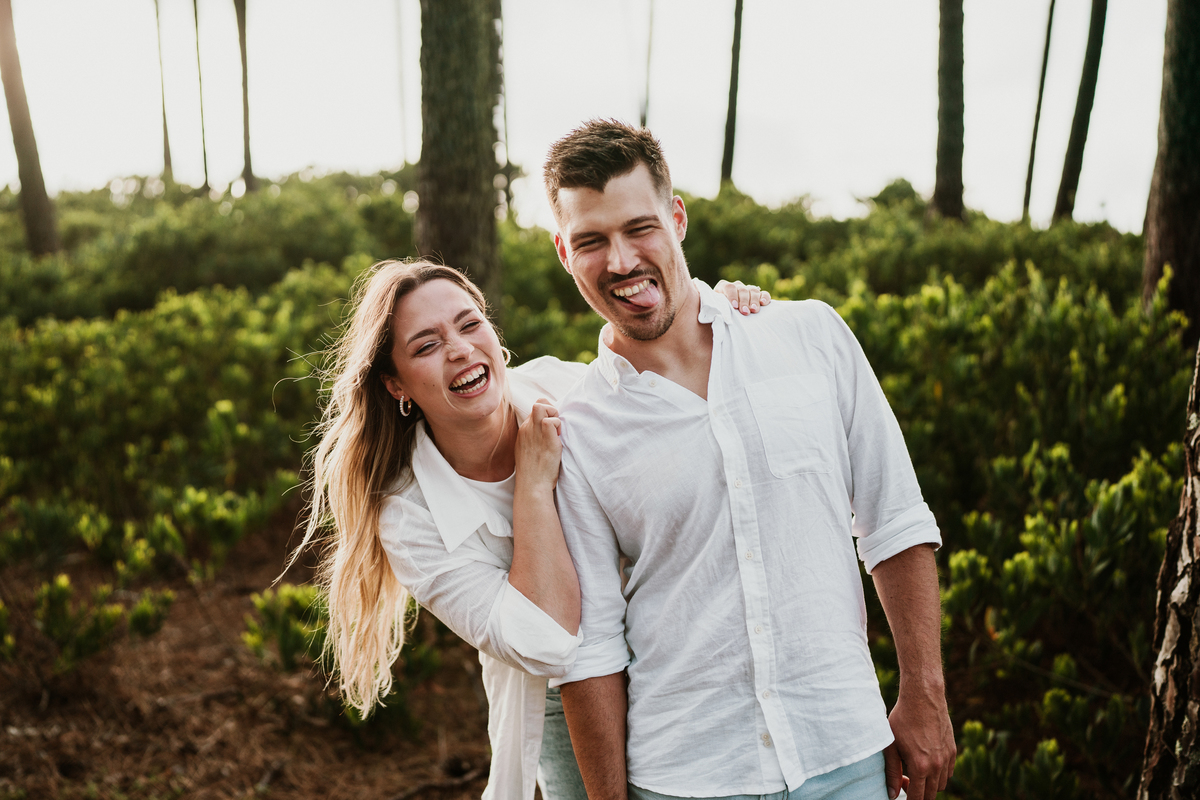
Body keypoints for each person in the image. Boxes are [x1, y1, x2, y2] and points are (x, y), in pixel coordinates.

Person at [543, 120, 957, 800]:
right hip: (686, 776)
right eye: (591, 240)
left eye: (639, 228)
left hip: (845, 754)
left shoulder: (810, 336)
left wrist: (925, 695)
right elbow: (591, 649)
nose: (619, 261)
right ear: (564, 251)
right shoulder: (578, 429)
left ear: (676, 218)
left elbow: (894, 521)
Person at [289, 259, 770, 800]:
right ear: (396, 384)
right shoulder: (409, 518)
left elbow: (688, 397)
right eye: (426, 346)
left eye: (470, 325)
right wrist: (534, 486)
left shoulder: (568, 386)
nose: (460, 350)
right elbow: (547, 640)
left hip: (673, 648)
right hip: (565, 699)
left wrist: (712, 314)